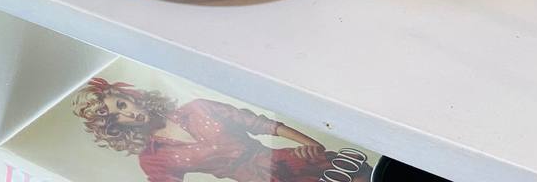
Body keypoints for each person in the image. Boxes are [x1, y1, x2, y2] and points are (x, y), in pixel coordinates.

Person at [72, 76, 372, 182]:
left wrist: (313, 145)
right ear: (115, 128)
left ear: (132, 97)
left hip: (288, 160)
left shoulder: (198, 107)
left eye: (123, 103)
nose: (130, 113)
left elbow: (263, 124)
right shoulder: (152, 158)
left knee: (360, 176)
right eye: (117, 116)